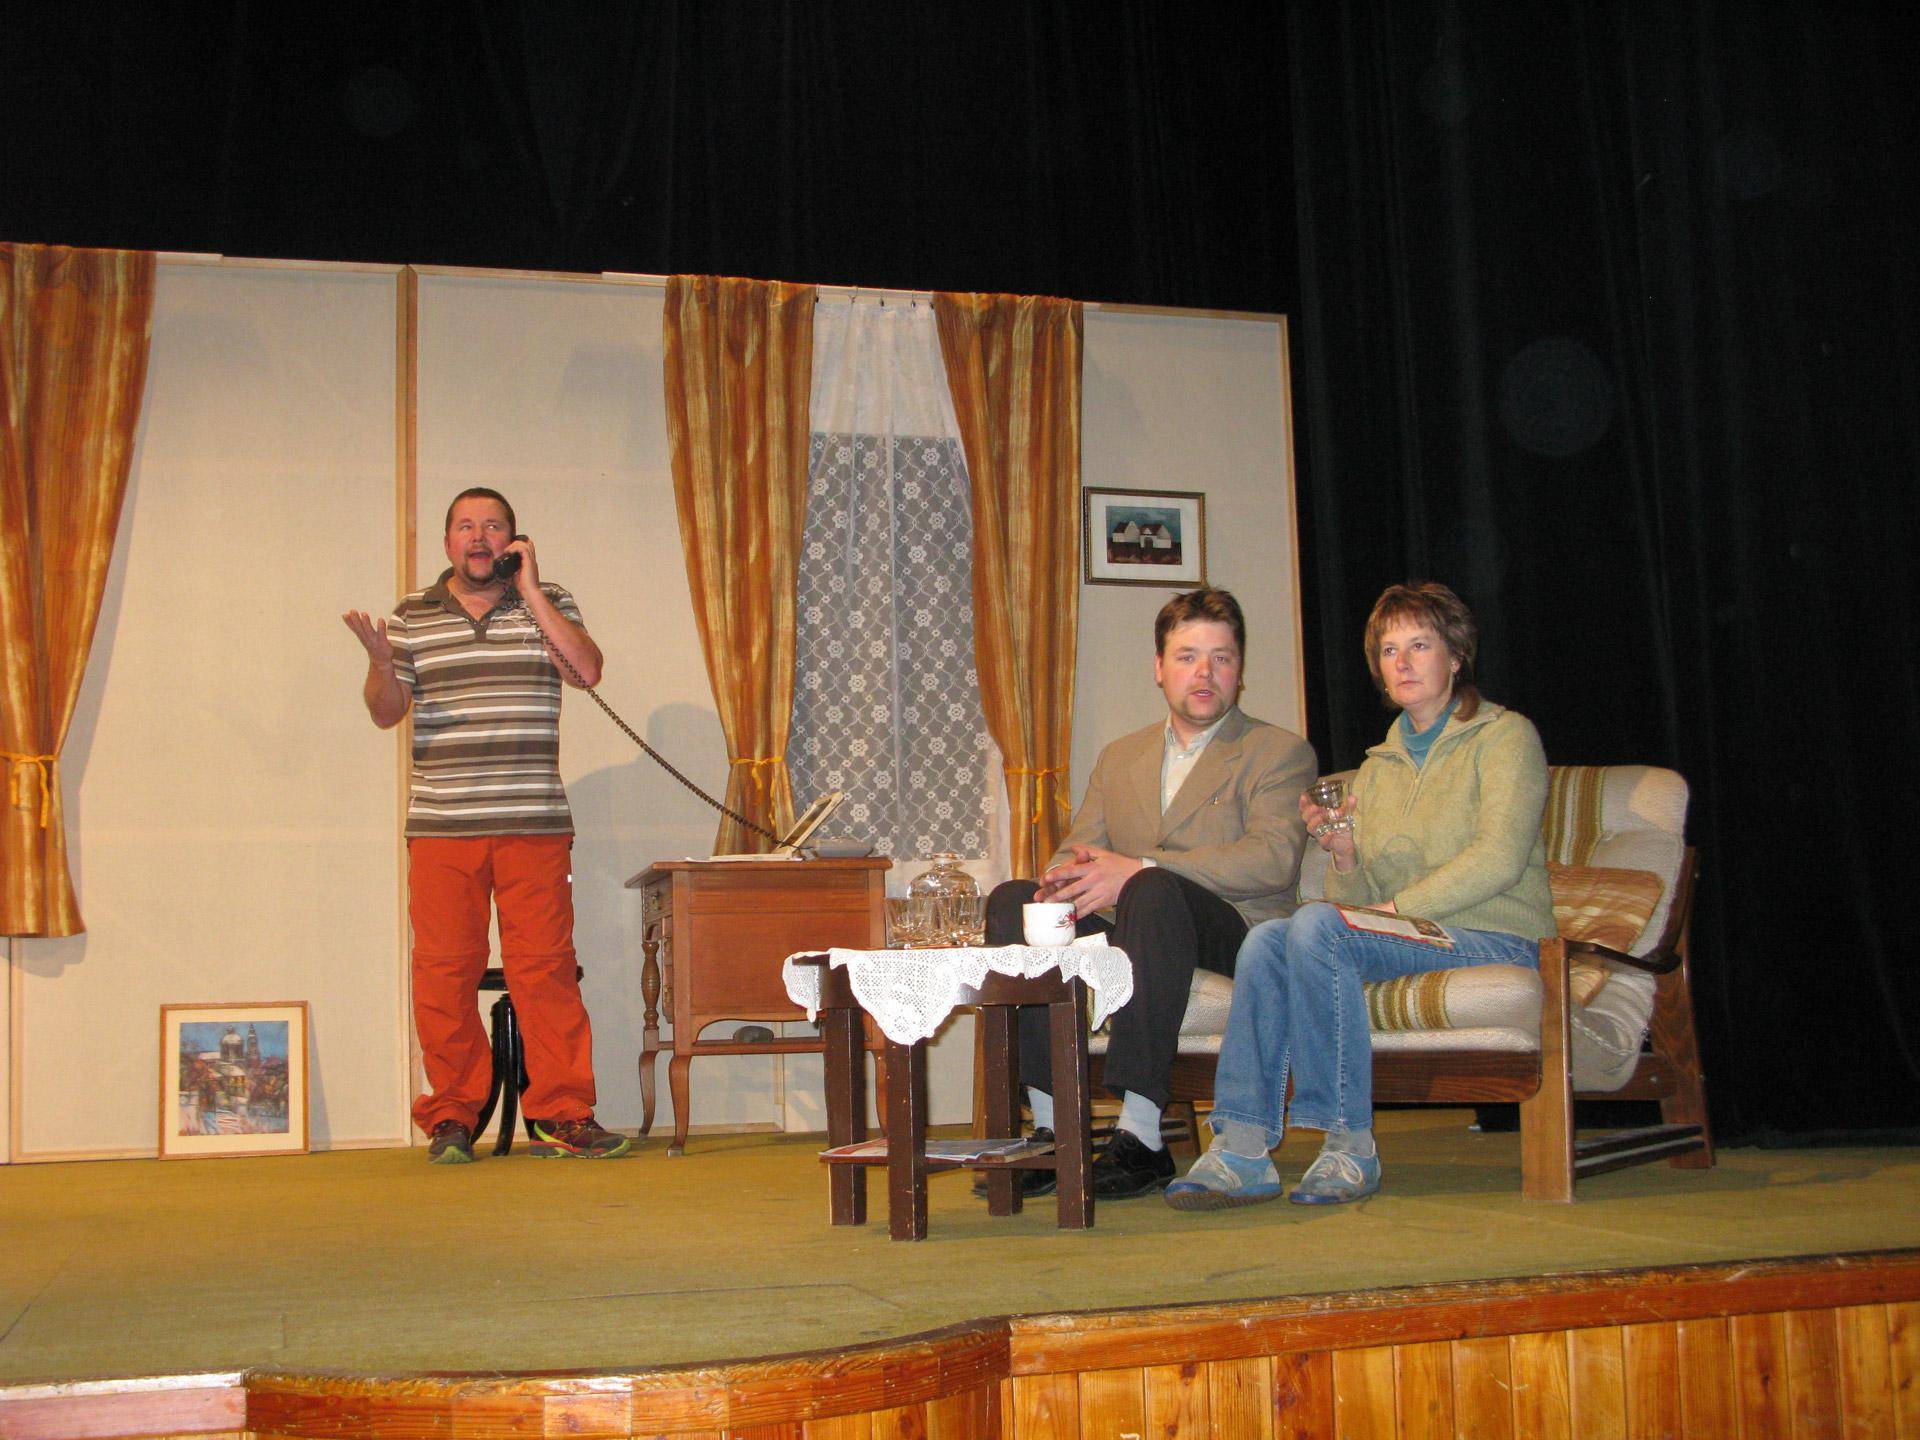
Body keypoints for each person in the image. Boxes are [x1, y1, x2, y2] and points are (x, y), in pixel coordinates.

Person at [1165, 581, 1554, 1209]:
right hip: (1410, 938)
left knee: (1317, 924)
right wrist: (1343, 852)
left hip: (1495, 937)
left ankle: (1348, 1143)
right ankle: (1241, 1147)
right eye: (1389, 650)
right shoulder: (1377, 768)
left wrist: (1392, 912)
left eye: (1419, 645)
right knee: (1267, 939)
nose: (1402, 663)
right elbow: (1358, 894)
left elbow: (1499, 859)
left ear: (1456, 656)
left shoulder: (1505, 737)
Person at [983, 587, 1316, 1199]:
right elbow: (1076, 848)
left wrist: (1139, 867)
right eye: (1188, 657)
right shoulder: (1121, 757)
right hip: (1135, 923)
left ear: (1239, 671)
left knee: (1154, 886)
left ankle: (1142, 1136)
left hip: (1236, 934)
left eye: (1221, 657)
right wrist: (1060, 881)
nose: (1204, 673)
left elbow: (1272, 860)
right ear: (1159, 668)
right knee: (1013, 900)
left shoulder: (1277, 751)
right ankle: (1051, 1132)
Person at [342, 488, 631, 1164]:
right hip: (442, 828)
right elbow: (386, 712)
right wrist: (381, 663)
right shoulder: (413, 613)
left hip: (534, 824)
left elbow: (587, 671)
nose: (479, 537)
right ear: (447, 541)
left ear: (513, 540)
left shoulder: (548, 599)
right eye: (466, 526)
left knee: (546, 972)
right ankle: (452, 1115)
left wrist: (529, 590)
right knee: (444, 974)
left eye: (493, 526)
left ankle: (562, 1113)